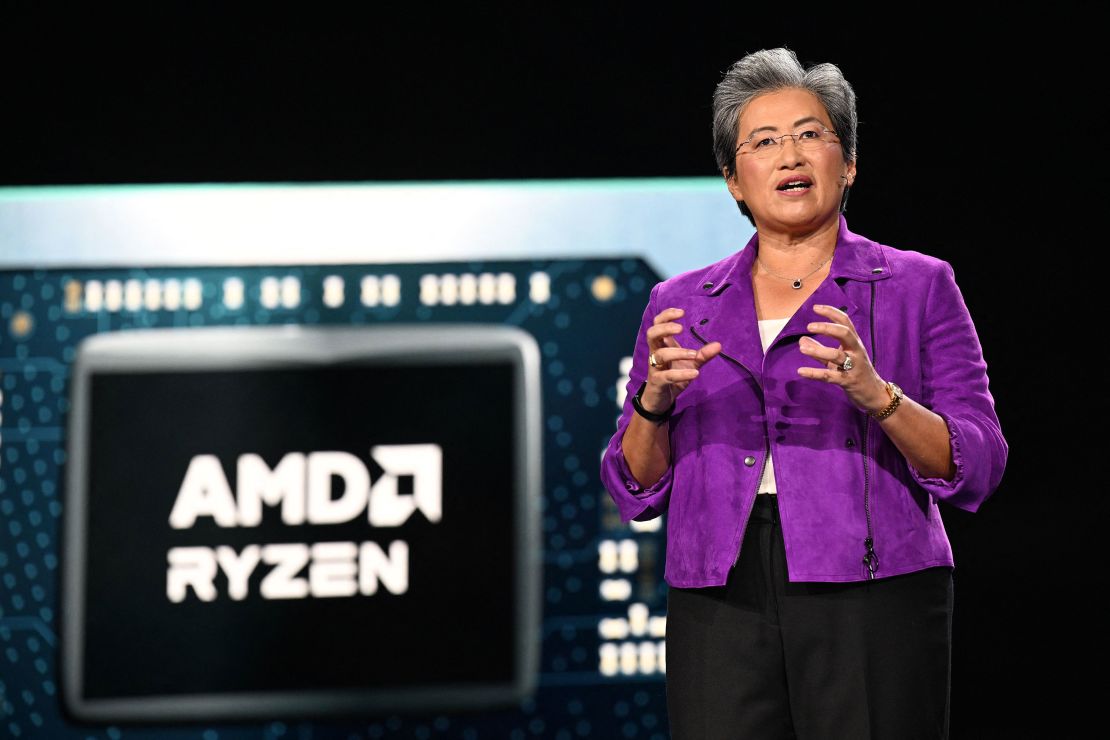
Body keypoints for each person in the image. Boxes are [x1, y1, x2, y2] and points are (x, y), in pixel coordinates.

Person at [599, 48, 1007, 739]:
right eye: (763, 142)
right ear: (733, 180)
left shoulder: (916, 285)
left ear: (847, 165)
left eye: (810, 134)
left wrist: (879, 396)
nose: (790, 154)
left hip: (875, 590)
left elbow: (979, 464)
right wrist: (653, 403)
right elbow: (631, 487)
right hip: (719, 593)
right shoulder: (681, 302)